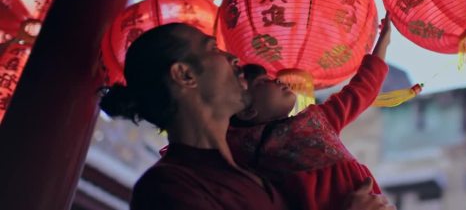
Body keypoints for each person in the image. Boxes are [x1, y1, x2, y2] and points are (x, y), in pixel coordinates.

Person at [99, 23, 395, 210]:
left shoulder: (258, 174)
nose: (234, 59)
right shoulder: (169, 187)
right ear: (185, 74)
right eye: (212, 49)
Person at [228, 13, 393, 210]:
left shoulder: (316, 119)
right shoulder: (239, 151)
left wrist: (383, 42)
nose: (278, 80)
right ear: (246, 112)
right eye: (264, 82)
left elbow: (361, 90)